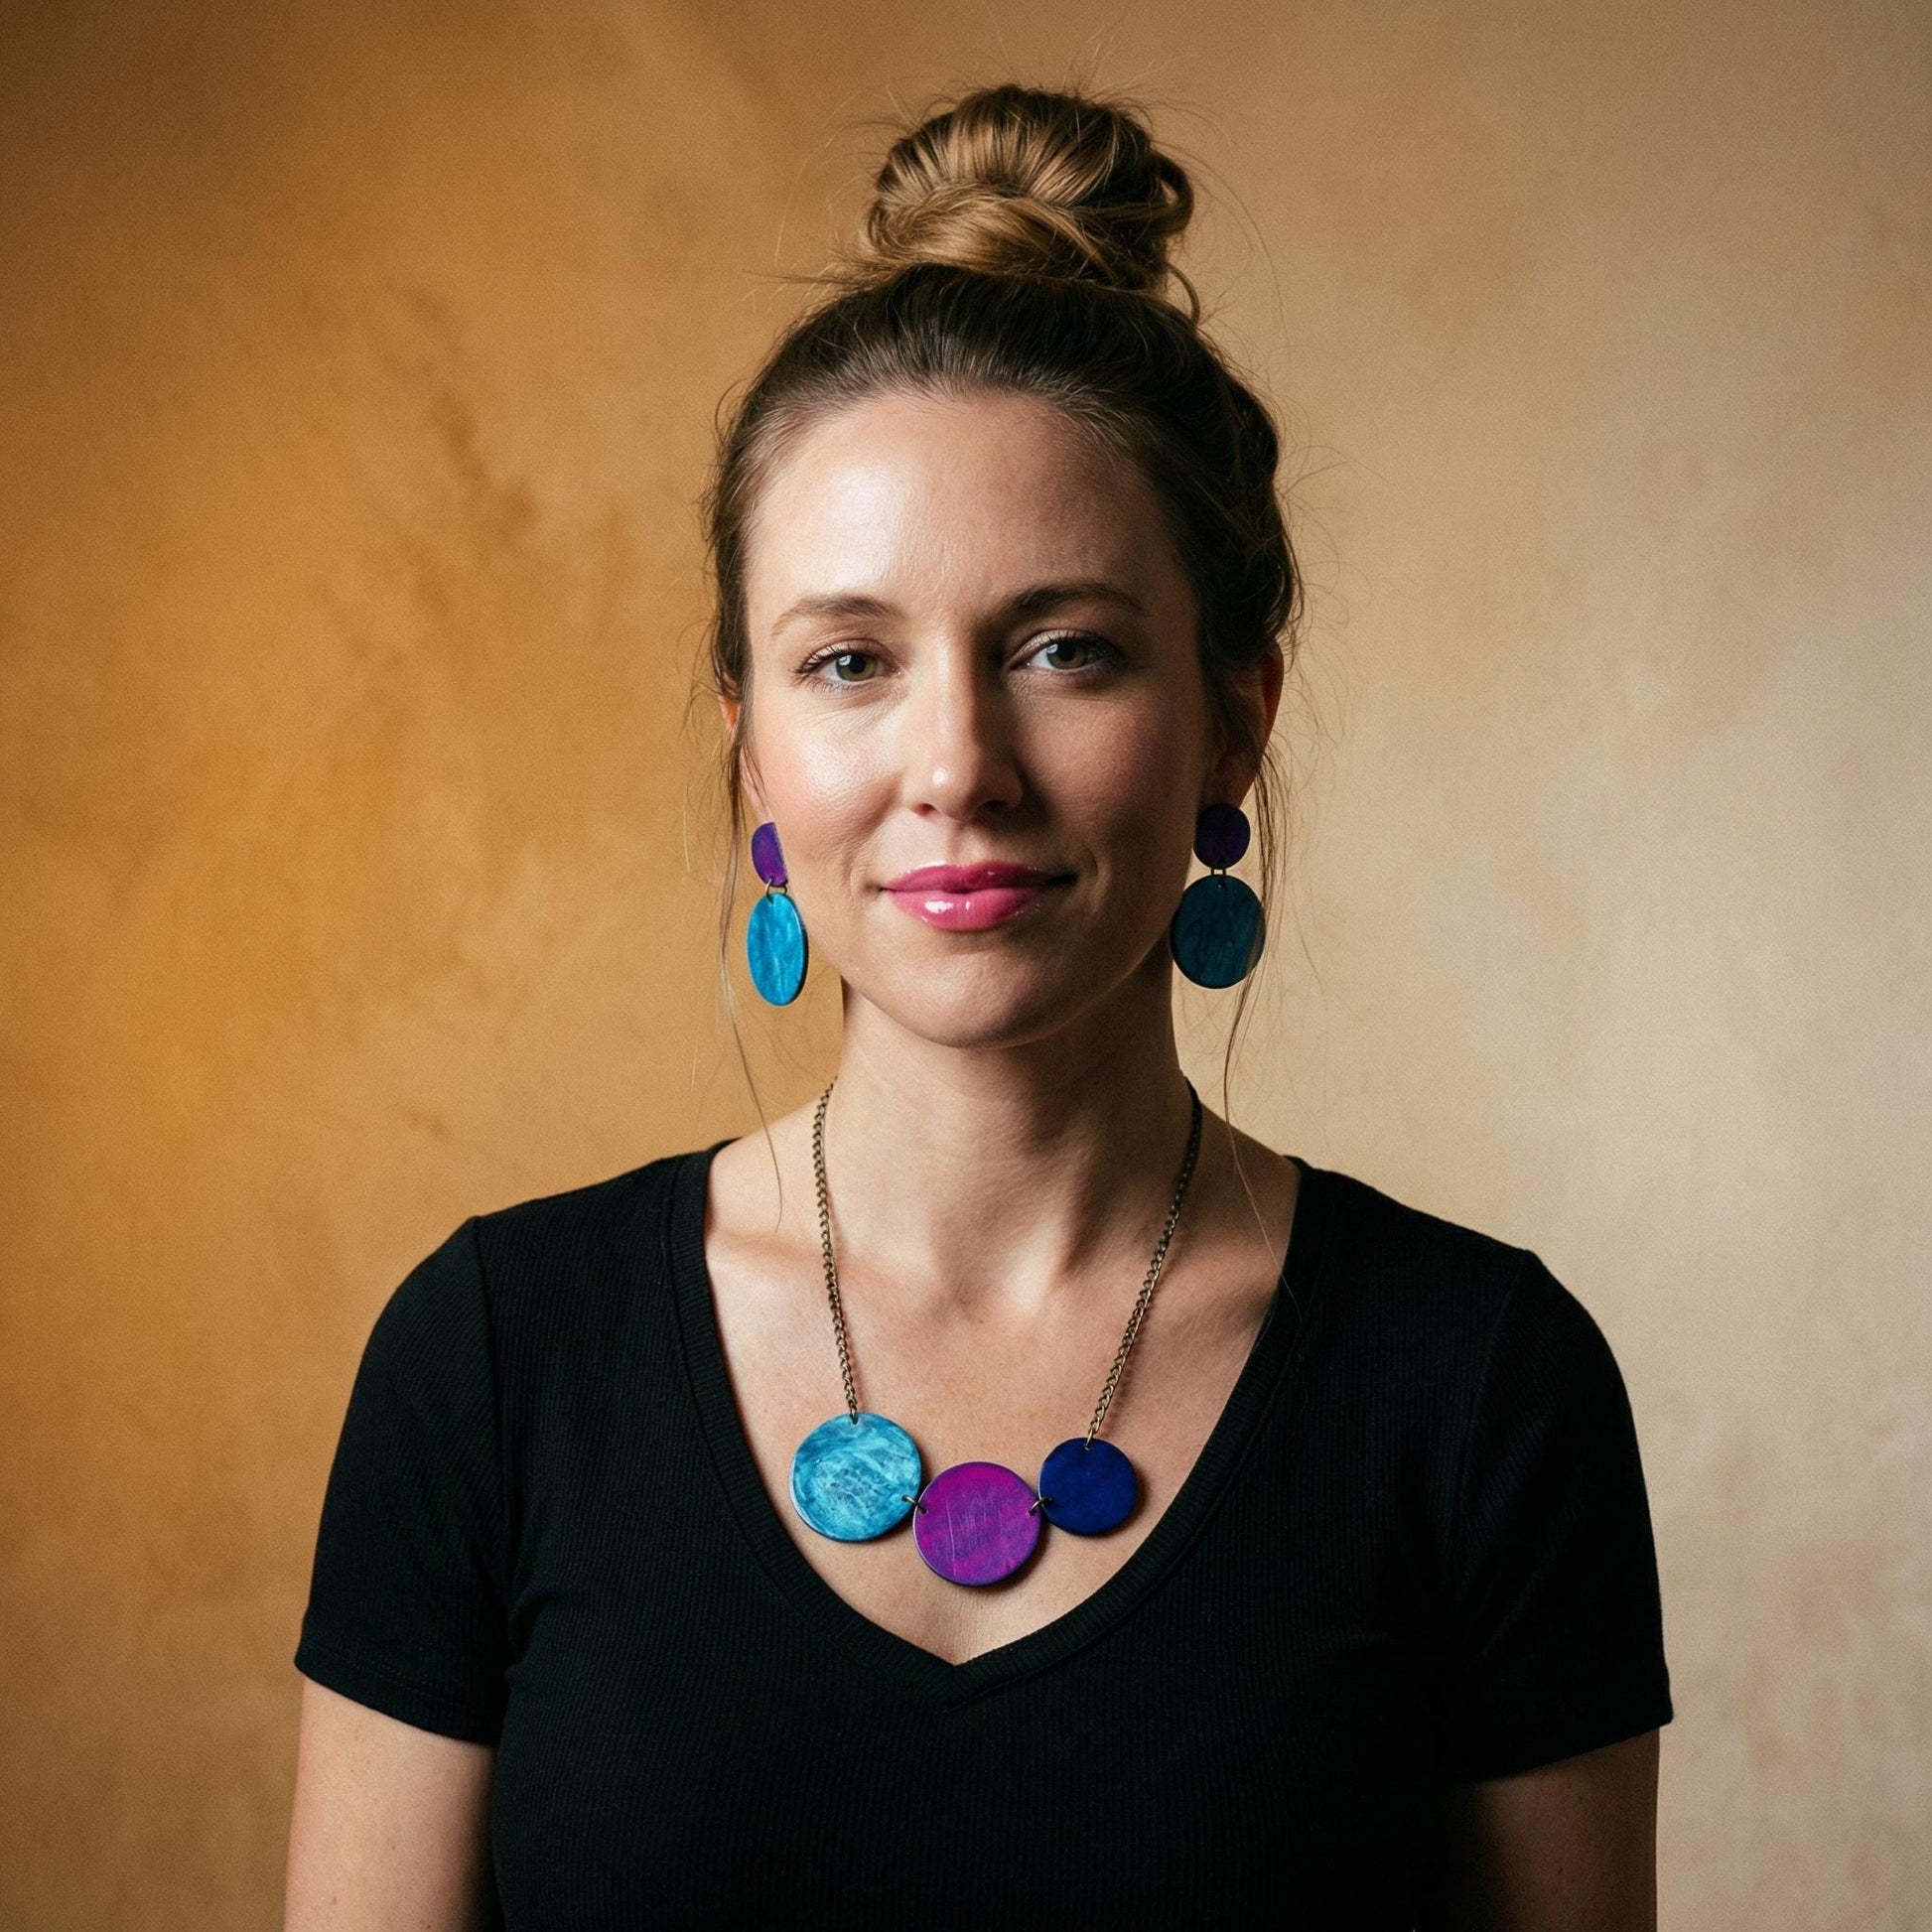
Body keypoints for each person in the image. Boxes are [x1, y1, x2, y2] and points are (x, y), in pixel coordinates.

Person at [284, 82, 1672, 1930]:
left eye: (1063, 649)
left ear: (1232, 714)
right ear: (749, 745)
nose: (954, 762)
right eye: (848, 659)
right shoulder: (490, 1363)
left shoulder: (1482, 1388)